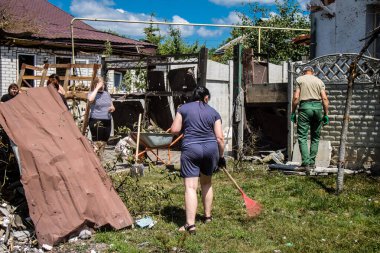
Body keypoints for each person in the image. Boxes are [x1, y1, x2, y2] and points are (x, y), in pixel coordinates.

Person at [171, 86, 225, 234]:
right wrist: (221, 157)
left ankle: (190, 225)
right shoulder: (214, 112)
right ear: (206, 97)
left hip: (191, 149)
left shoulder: (183, 109)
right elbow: (220, 138)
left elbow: (174, 130)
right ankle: (207, 217)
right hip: (210, 150)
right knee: (207, 183)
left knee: (190, 187)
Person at [291, 66, 329, 174]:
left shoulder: (300, 80)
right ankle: (312, 163)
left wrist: (293, 112)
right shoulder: (319, 81)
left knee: (302, 136)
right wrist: (326, 114)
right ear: (313, 72)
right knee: (315, 137)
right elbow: (325, 98)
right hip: (317, 109)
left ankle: (306, 164)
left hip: (305, 109)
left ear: (303, 72)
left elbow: (295, 98)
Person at [87, 76, 115, 160]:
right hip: (96, 120)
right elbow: (90, 99)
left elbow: (112, 106)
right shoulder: (91, 93)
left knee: (103, 143)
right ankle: (95, 161)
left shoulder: (107, 94)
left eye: (103, 83)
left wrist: (112, 108)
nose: (102, 85)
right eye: (100, 83)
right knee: (96, 144)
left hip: (107, 121)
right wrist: (97, 88)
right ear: (95, 84)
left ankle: (100, 161)